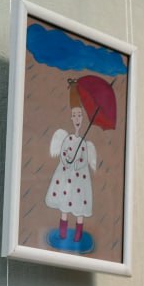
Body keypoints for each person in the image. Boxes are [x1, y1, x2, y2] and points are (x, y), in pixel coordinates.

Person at [46, 81, 98, 246]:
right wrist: (67, 159)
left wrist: (77, 163)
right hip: (66, 176)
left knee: (79, 203)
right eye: (74, 115)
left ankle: (78, 234)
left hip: (79, 180)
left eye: (79, 115)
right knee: (65, 200)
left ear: (83, 118)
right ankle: (62, 232)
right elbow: (63, 154)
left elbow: (84, 160)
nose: (77, 118)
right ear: (71, 117)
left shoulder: (84, 143)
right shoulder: (67, 139)